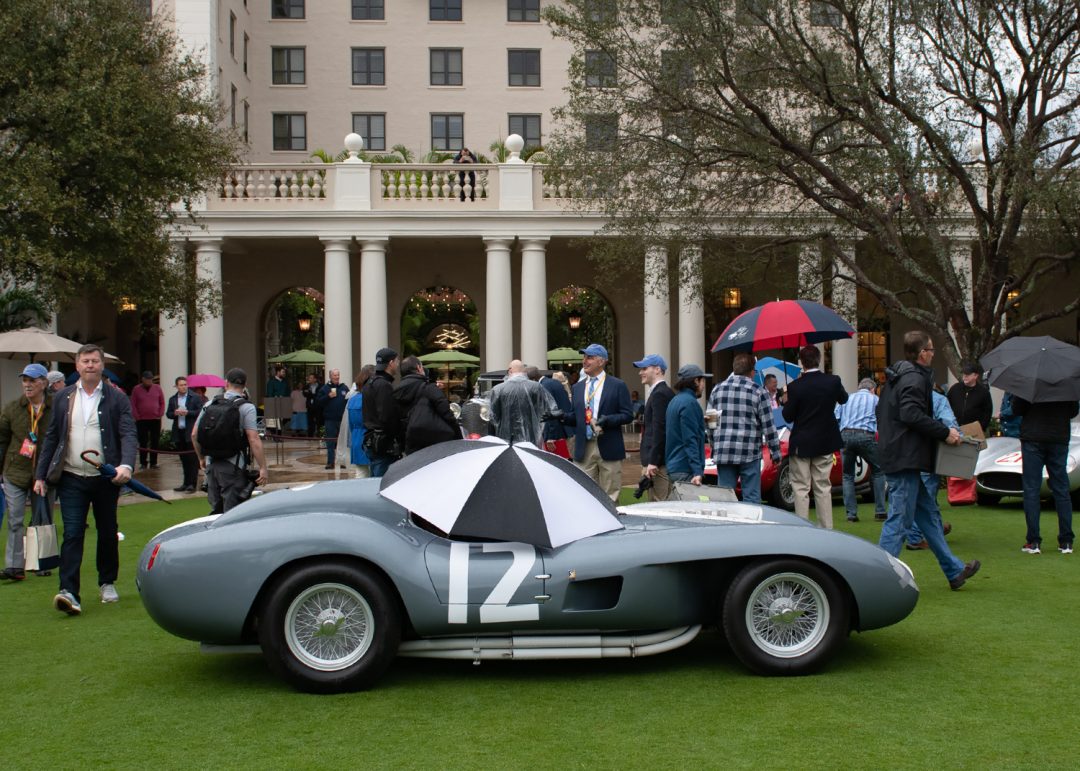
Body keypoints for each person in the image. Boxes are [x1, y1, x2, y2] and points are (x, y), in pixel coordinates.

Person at [33, 344, 137, 615]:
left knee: (107, 530)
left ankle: (107, 582)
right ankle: (69, 591)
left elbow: (128, 433)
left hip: (105, 477)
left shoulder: (117, 398)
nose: (90, 365)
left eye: (94, 361)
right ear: (77, 366)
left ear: (102, 366)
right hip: (71, 477)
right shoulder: (63, 397)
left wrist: (126, 465)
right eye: (85, 361)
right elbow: (52, 438)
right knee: (73, 532)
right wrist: (41, 475)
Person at [877, 331, 981, 590]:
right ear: (922, 353)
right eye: (931, 350)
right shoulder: (913, 378)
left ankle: (954, 570)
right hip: (905, 457)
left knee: (928, 515)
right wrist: (944, 432)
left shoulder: (899, 376)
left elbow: (895, 413)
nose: (934, 354)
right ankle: (876, 576)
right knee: (900, 518)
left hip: (902, 454)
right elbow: (910, 414)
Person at [782, 345, 848, 529]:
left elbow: (788, 416)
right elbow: (844, 399)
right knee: (822, 487)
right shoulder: (833, 381)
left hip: (802, 442)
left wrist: (786, 396)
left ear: (802, 363)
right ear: (819, 359)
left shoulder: (795, 387)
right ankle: (826, 528)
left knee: (801, 488)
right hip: (825, 441)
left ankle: (803, 528)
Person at [0, 364, 54, 581]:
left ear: (44, 383)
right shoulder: (13, 408)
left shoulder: (57, 407)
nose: (27, 385)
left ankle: (42, 564)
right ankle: (14, 567)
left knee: (42, 519)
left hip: (45, 473)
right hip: (15, 472)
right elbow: (2, 440)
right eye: (25, 380)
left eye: (32, 380)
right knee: (14, 519)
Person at [561, 344, 634, 501]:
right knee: (583, 492)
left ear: (601, 362)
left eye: (590, 357)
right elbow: (577, 417)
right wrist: (562, 416)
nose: (584, 361)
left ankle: (612, 523)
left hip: (608, 444)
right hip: (584, 447)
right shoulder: (578, 387)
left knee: (610, 495)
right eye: (584, 357)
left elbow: (628, 415)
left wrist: (608, 420)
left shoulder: (617, 385)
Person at [192, 368, 267, 515]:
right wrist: (263, 467)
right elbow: (253, 438)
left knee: (216, 511)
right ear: (245, 386)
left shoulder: (209, 405)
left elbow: (194, 434)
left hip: (211, 463)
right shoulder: (247, 407)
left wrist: (201, 458)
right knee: (233, 513)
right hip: (234, 465)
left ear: (226, 383)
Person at [708, 352, 780, 503]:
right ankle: (751, 527)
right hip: (749, 451)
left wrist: (715, 446)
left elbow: (710, 423)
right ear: (752, 372)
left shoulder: (717, 390)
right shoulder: (758, 391)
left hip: (724, 451)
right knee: (752, 498)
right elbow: (769, 426)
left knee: (725, 499)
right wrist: (775, 452)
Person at [1013, 394, 1078, 554]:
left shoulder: (1029, 383)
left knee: (1031, 490)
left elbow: (1017, 409)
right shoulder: (1066, 384)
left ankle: (1033, 541)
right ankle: (1066, 541)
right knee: (1061, 489)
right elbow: (1073, 411)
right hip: (1058, 436)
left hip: (1033, 436)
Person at [906, 384, 958, 550]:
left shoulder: (903, 399)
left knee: (913, 496)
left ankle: (933, 528)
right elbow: (949, 424)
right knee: (926, 496)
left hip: (905, 453)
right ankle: (915, 536)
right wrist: (959, 437)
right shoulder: (938, 400)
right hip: (928, 454)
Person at [836, 377, 887, 522]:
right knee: (878, 471)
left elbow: (836, 418)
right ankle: (880, 511)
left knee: (847, 476)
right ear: (872, 389)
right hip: (866, 435)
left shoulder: (847, 398)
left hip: (845, 435)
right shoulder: (875, 399)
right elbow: (882, 420)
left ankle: (851, 514)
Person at [393, 356, 460, 454]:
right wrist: (458, 436)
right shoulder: (429, 388)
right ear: (419, 368)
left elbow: (395, 420)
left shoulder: (396, 393)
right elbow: (447, 414)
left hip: (411, 443)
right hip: (435, 443)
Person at [634, 354, 674, 501]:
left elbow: (660, 430)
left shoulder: (660, 394)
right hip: (656, 461)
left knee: (658, 504)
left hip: (657, 463)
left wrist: (653, 462)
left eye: (644, 368)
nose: (640, 372)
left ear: (657, 369)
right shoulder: (659, 392)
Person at [489, 360, 556, 445]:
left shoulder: (498, 389)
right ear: (524, 371)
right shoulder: (536, 387)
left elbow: (493, 416)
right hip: (531, 436)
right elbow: (549, 409)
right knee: (529, 457)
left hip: (505, 437)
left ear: (510, 370)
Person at [665, 364, 709, 486]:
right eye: (703, 381)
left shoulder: (675, 401)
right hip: (686, 469)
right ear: (696, 381)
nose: (703, 385)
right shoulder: (690, 403)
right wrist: (697, 471)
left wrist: (699, 421)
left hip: (675, 467)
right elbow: (690, 440)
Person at [362, 348, 403, 476]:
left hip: (372, 441)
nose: (398, 364)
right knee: (382, 484)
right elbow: (387, 417)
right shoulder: (384, 385)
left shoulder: (369, 383)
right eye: (397, 361)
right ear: (391, 363)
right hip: (383, 445)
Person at [165, 376, 205, 493]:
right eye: (181, 385)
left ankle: (192, 484)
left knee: (192, 459)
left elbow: (200, 412)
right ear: (176, 386)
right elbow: (168, 414)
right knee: (183, 460)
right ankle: (185, 483)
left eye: (185, 385)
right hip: (179, 432)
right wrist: (175, 413)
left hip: (190, 432)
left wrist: (188, 412)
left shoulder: (195, 397)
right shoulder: (173, 399)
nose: (183, 387)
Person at [130, 369, 165, 470]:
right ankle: (143, 463)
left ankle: (154, 462)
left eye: (151, 379)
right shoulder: (136, 389)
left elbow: (162, 402)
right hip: (142, 420)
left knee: (155, 441)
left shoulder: (157, 388)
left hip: (155, 419)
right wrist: (137, 416)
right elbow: (133, 404)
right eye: (147, 379)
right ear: (143, 379)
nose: (149, 381)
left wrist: (160, 413)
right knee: (143, 441)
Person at [536, 367, 573, 458]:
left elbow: (551, 410)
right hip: (567, 428)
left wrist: (550, 437)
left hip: (557, 432)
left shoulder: (545, 386)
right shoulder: (556, 385)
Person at [347, 366, 375, 478]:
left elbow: (350, 425)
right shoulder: (372, 399)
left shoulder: (353, 400)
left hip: (357, 438)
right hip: (370, 439)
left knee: (360, 474)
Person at [316, 369, 348, 469]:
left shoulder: (344, 387)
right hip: (330, 420)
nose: (337, 377)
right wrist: (328, 396)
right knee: (330, 441)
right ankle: (330, 462)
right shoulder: (325, 388)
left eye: (338, 375)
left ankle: (343, 462)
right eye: (335, 375)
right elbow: (318, 402)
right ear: (330, 376)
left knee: (343, 441)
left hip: (342, 420)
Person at [947, 361, 992, 432]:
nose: (965, 376)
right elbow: (947, 406)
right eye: (964, 373)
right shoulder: (955, 389)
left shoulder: (984, 392)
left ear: (976, 376)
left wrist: (980, 428)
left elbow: (987, 413)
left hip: (974, 431)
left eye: (968, 374)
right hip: (954, 429)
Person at [304, 372, 323, 438]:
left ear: (315, 379)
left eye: (311, 378)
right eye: (309, 378)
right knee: (310, 422)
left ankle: (319, 435)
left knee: (319, 421)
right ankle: (310, 436)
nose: (309, 379)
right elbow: (305, 394)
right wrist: (312, 395)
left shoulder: (320, 386)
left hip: (318, 406)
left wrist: (312, 395)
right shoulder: (307, 386)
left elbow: (319, 395)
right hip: (310, 406)